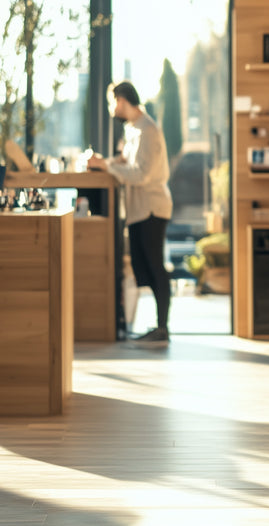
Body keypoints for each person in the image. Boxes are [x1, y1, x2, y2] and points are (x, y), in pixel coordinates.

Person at [88, 81, 174, 346]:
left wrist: (107, 166)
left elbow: (141, 174)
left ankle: (162, 328)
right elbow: (126, 162)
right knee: (143, 266)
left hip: (151, 207)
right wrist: (107, 163)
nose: (113, 108)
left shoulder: (148, 130)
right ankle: (158, 327)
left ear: (123, 100)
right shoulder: (134, 129)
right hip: (138, 210)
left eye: (114, 102)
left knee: (155, 266)